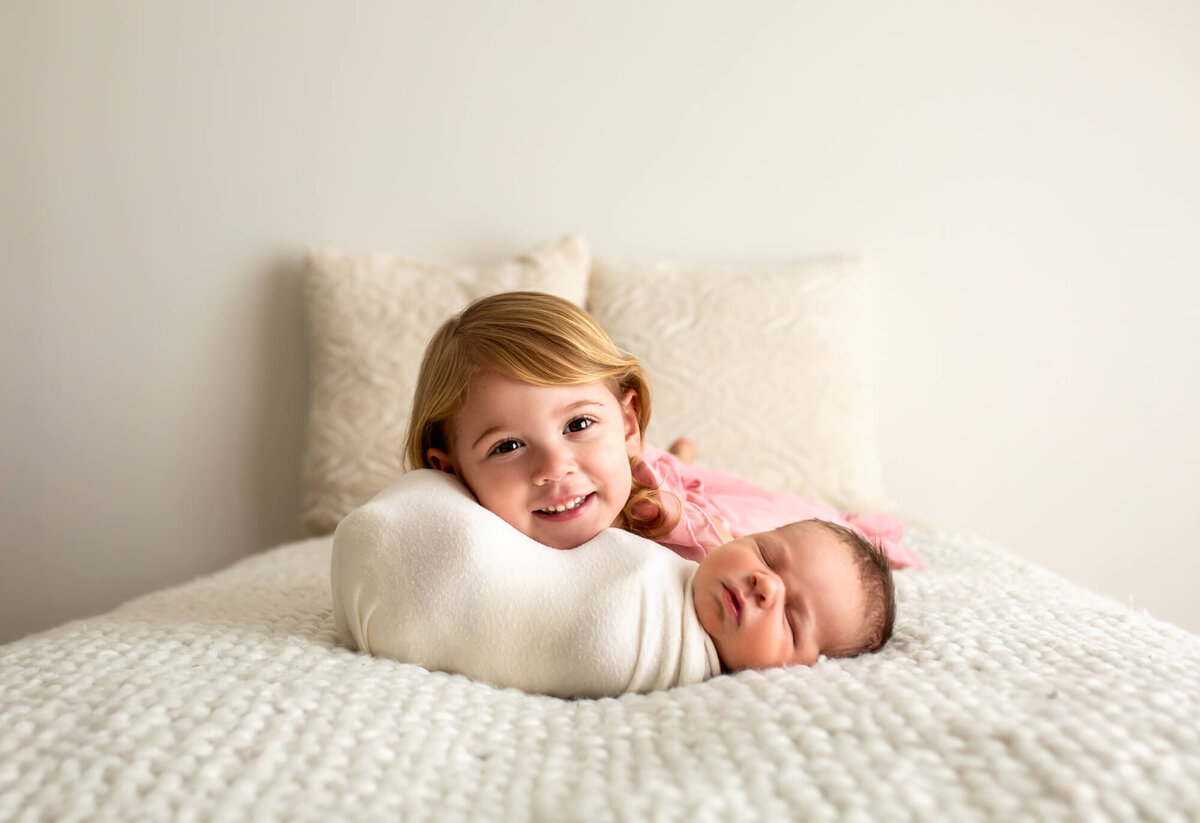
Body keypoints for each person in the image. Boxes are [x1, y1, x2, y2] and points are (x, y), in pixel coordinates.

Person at [405, 290, 921, 569]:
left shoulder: (690, 533)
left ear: (626, 423)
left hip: (661, 487)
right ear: (448, 469)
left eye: (579, 424)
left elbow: (778, 523)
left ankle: (676, 457)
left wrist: (847, 535)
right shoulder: (459, 543)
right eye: (508, 446)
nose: (555, 467)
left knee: (735, 498)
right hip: (626, 465)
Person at [331, 469, 896, 697]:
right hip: (405, 537)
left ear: (808, 668)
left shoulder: (671, 656)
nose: (764, 586)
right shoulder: (675, 560)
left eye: (792, 617)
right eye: (767, 554)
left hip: (394, 585)